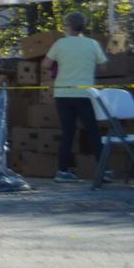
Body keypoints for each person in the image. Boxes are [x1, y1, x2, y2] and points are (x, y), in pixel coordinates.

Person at [43, 11, 107, 183]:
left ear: (68, 26)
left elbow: (46, 64)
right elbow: (103, 68)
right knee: (92, 131)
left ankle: (63, 170)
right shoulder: (92, 44)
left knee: (68, 132)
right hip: (85, 93)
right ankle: (102, 169)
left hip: (63, 93)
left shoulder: (60, 44)